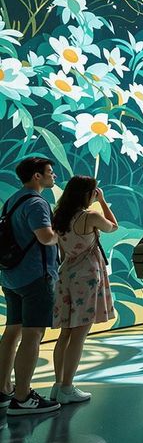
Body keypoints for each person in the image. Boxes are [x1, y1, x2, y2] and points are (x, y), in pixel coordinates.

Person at [1, 157, 62, 415]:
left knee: (11, 332)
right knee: (33, 334)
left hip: (11, 276)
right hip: (36, 277)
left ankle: (4, 389)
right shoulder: (37, 203)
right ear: (37, 176)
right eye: (49, 172)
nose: (53, 176)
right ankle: (24, 396)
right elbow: (46, 237)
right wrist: (63, 231)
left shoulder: (12, 200)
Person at [50, 175, 118, 403]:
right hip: (86, 276)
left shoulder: (58, 216)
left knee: (65, 333)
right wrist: (103, 201)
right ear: (87, 194)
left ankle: (58, 385)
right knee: (79, 334)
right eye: (93, 192)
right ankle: (68, 388)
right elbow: (113, 227)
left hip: (66, 273)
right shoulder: (90, 217)